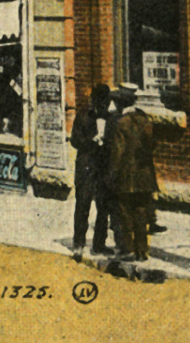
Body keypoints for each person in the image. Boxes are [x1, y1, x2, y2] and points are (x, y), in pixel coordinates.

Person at [109, 83, 185, 262]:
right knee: (141, 213)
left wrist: (112, 175)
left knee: (126, 213)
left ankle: (128, 250)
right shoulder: (146, 121)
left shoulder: (121, 124)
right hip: (145, 175)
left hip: (127, 177)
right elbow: (152, 145)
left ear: (121, 104)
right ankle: (142, 251)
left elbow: (117, 154)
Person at [70, 84, 119, 256]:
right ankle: (78, 243)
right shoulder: (83, 117)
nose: (102, 107)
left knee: (103, 207)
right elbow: (75, 140)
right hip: (86, 167)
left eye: (105, 103)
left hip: (103, 168)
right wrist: (92, 140)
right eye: (99, 103)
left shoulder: (112, 119)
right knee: (83, 205)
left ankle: (99, 244)